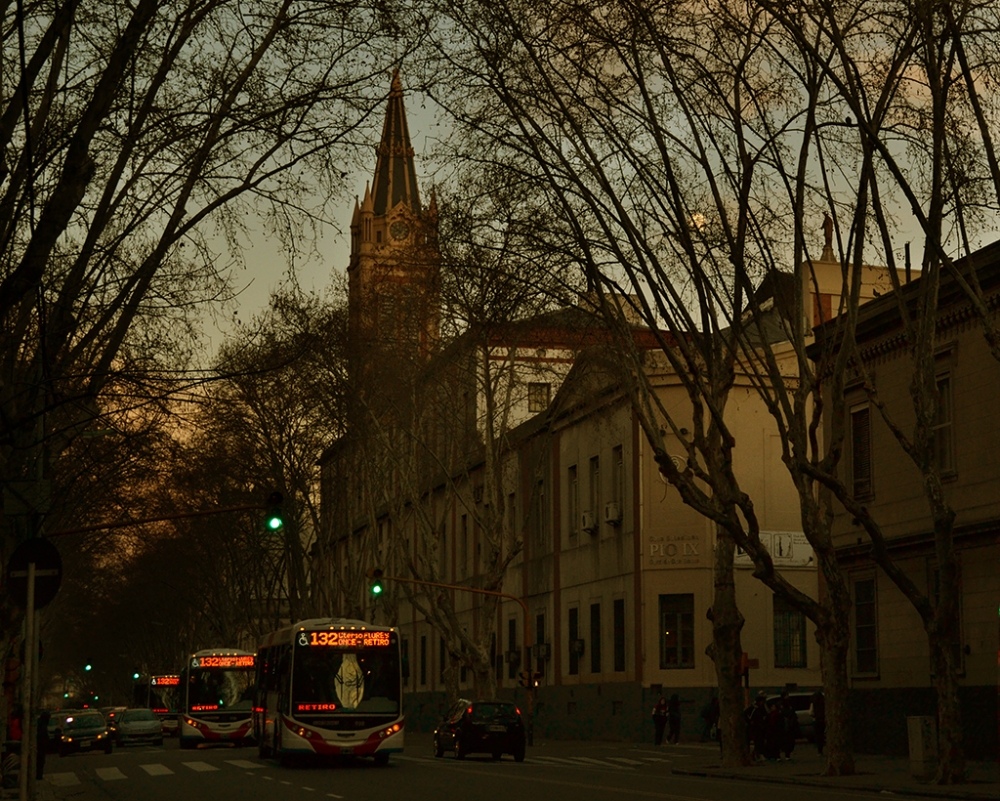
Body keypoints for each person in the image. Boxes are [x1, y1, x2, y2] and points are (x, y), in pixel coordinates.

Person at [744, 693, 768, 761]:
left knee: (759, 742)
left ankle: (758, 754)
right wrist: (749, 721)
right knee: (754, 741)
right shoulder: (753, 708)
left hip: (760, 727)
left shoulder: (762, 708)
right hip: (753, 727)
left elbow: (766, 714)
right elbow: (745, 714)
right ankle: (753, 754)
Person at [779, 694, 799, 760]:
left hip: (788, 727)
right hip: (788, 726)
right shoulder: (787, 707)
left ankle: (787, 753)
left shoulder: (787, 707)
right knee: (788, 741)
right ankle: (787, 754)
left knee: (787, 741)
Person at [810, 690, 825, 755]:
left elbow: (810, 712)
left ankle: (819, 750)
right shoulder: (824, 703)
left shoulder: (813, 703)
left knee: (818, 736)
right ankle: (822, 748)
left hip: (816, 721)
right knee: (822, 735)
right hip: (823, 720)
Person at [36, 710, 50, 780]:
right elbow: (43, 735)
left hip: (40, 745)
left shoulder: (40, 723)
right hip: (40, 746)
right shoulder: (42, 725)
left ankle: (39, 775)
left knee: (40, 761)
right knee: (40, 761)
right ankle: (38, 775)